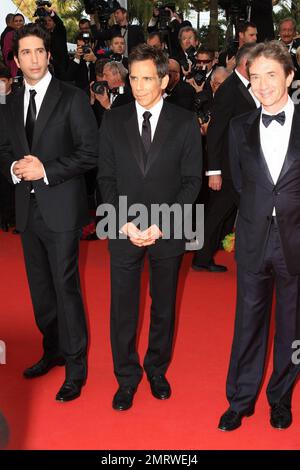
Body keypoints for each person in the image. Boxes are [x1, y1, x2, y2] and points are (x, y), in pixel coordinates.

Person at [98, 44, 202, 411]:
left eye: (146, 78)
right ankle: (126, 377)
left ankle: (157, 369)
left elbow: (192, 182)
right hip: (123, 227)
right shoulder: (113, 120)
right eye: (134, 78)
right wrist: (124, 221)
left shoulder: (185, 121)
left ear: (163, 80)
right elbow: (105, 178)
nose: (139, 86)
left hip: (167, 230)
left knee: (163, 306)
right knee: (123, 307)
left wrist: (162, 223)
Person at [0, 23, 98, 402]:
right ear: (16, 59)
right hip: (27, 211)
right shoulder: (10, 102)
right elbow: (5, 150)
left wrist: (46, 170)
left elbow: (90, 152)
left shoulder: (72, 97)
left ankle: (76, 367)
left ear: (49, 54)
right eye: (26, 53)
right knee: (41, 291)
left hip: (61, 208)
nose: (34, 58)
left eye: (39, 51)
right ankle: (53, 349)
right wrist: (13, 169)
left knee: (66, 288)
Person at [219, 40, 300, 431]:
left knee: (291, 325)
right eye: (255, 77)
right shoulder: (238, 127)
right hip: (253, 237)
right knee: (247, 323)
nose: (263, 84)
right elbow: (238, 183)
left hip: (296, 241)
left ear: (289, 75)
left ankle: (281, 397)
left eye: (272, 74)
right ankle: (240, 399)